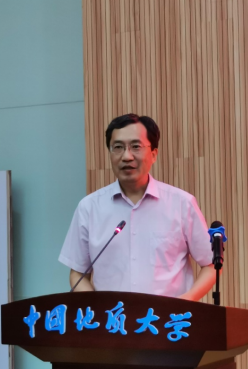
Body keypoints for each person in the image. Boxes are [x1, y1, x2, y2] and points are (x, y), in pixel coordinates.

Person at [58, 114, 216, 301]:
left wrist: (185, 303)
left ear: (154, 154)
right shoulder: (89, 207)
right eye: (118, 147)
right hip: (112, 317)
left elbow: (211, 264)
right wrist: (98, 309)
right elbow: (78, 273)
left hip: (168, 317)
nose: (126, 156)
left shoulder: (182, 204)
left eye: (136, 146)